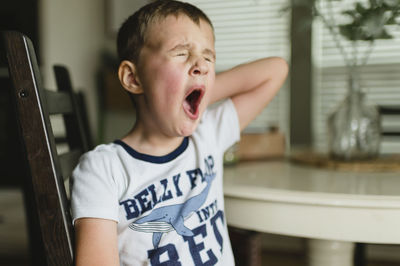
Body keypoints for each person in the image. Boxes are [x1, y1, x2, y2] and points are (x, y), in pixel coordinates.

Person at [71, 0, 288, 265]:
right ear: (133, 78)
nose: (202, 64)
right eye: (181, 53)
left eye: (208, 57)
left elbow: (276, 69)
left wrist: (200, 90)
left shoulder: (208, 135)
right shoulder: (103, 168)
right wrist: (189, 88)